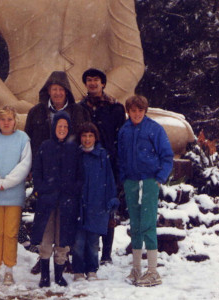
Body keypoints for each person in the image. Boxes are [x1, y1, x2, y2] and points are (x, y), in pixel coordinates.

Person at [0, 0, 144, 112]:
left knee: (162, 131)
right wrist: (10, 104)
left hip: (92, 109)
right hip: (18, 105)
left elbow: (130, 64)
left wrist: (92, 102)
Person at [118, 95, 173, 287]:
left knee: (148, 223)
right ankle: (136, 269)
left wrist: (159, 179)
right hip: (131, 181)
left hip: (150, 180)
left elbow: (167, 155)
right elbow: (121, 156)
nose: (137, 114)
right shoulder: (124, 130)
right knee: (135, 223)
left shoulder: (154, 129)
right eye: (133, 110)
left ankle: (152, 271)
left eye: (140, 110)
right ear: (128, 111)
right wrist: (124, 177)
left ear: (145, 111)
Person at [30, 111, 83, 287]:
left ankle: (59, 275)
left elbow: (79, 176)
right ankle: (44, 275)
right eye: (59, 126)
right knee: (46, 237)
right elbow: (37, 172)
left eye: (65, 127)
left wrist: (72, 190)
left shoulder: (74, 148)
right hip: (47, 201)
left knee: (63, 239)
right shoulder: (45, 146)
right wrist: (42, 190)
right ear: (54, 128)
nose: (62, 129)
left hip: (67, 202)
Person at [79, 68, 126, 264]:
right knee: (87, 205)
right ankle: (88, 250)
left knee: (108, 207)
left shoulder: (115, 107)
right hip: (86, 162)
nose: (92, 83)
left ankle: (106, 253)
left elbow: (120, 136)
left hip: (109, 162)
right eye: (89, 80)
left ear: (103, 83)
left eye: (96, 80)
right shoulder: (81, 107)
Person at [0, 105, 32, 286]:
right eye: (2, 119)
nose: (6, 123)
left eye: (9, 119)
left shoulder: (22, 138)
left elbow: (24, 164)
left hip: (14, 194)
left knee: (10, 233)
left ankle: (9, 269)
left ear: (15, 121)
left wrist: (7, 182)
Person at [72, 122, 119, 282]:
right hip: (79, 203)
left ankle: (92, 269)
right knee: (78, 241)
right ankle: (78, 270)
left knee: (93, 241)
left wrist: (111, 198)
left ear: (95, 137)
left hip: (96, 203)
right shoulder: (75, 155)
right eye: (84, 136)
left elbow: (109, 179)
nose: (87, 139)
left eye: (90, 136)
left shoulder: (102, 156)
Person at [25, 71, 90, 160]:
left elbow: (88, 138)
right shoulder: (35, 112)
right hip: (43, 164)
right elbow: (27, 142)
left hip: (71, 164)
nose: (58, 93)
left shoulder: (79, 112)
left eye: (61, 89)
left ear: (66, 91)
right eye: (54, 89)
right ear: (48, 91)